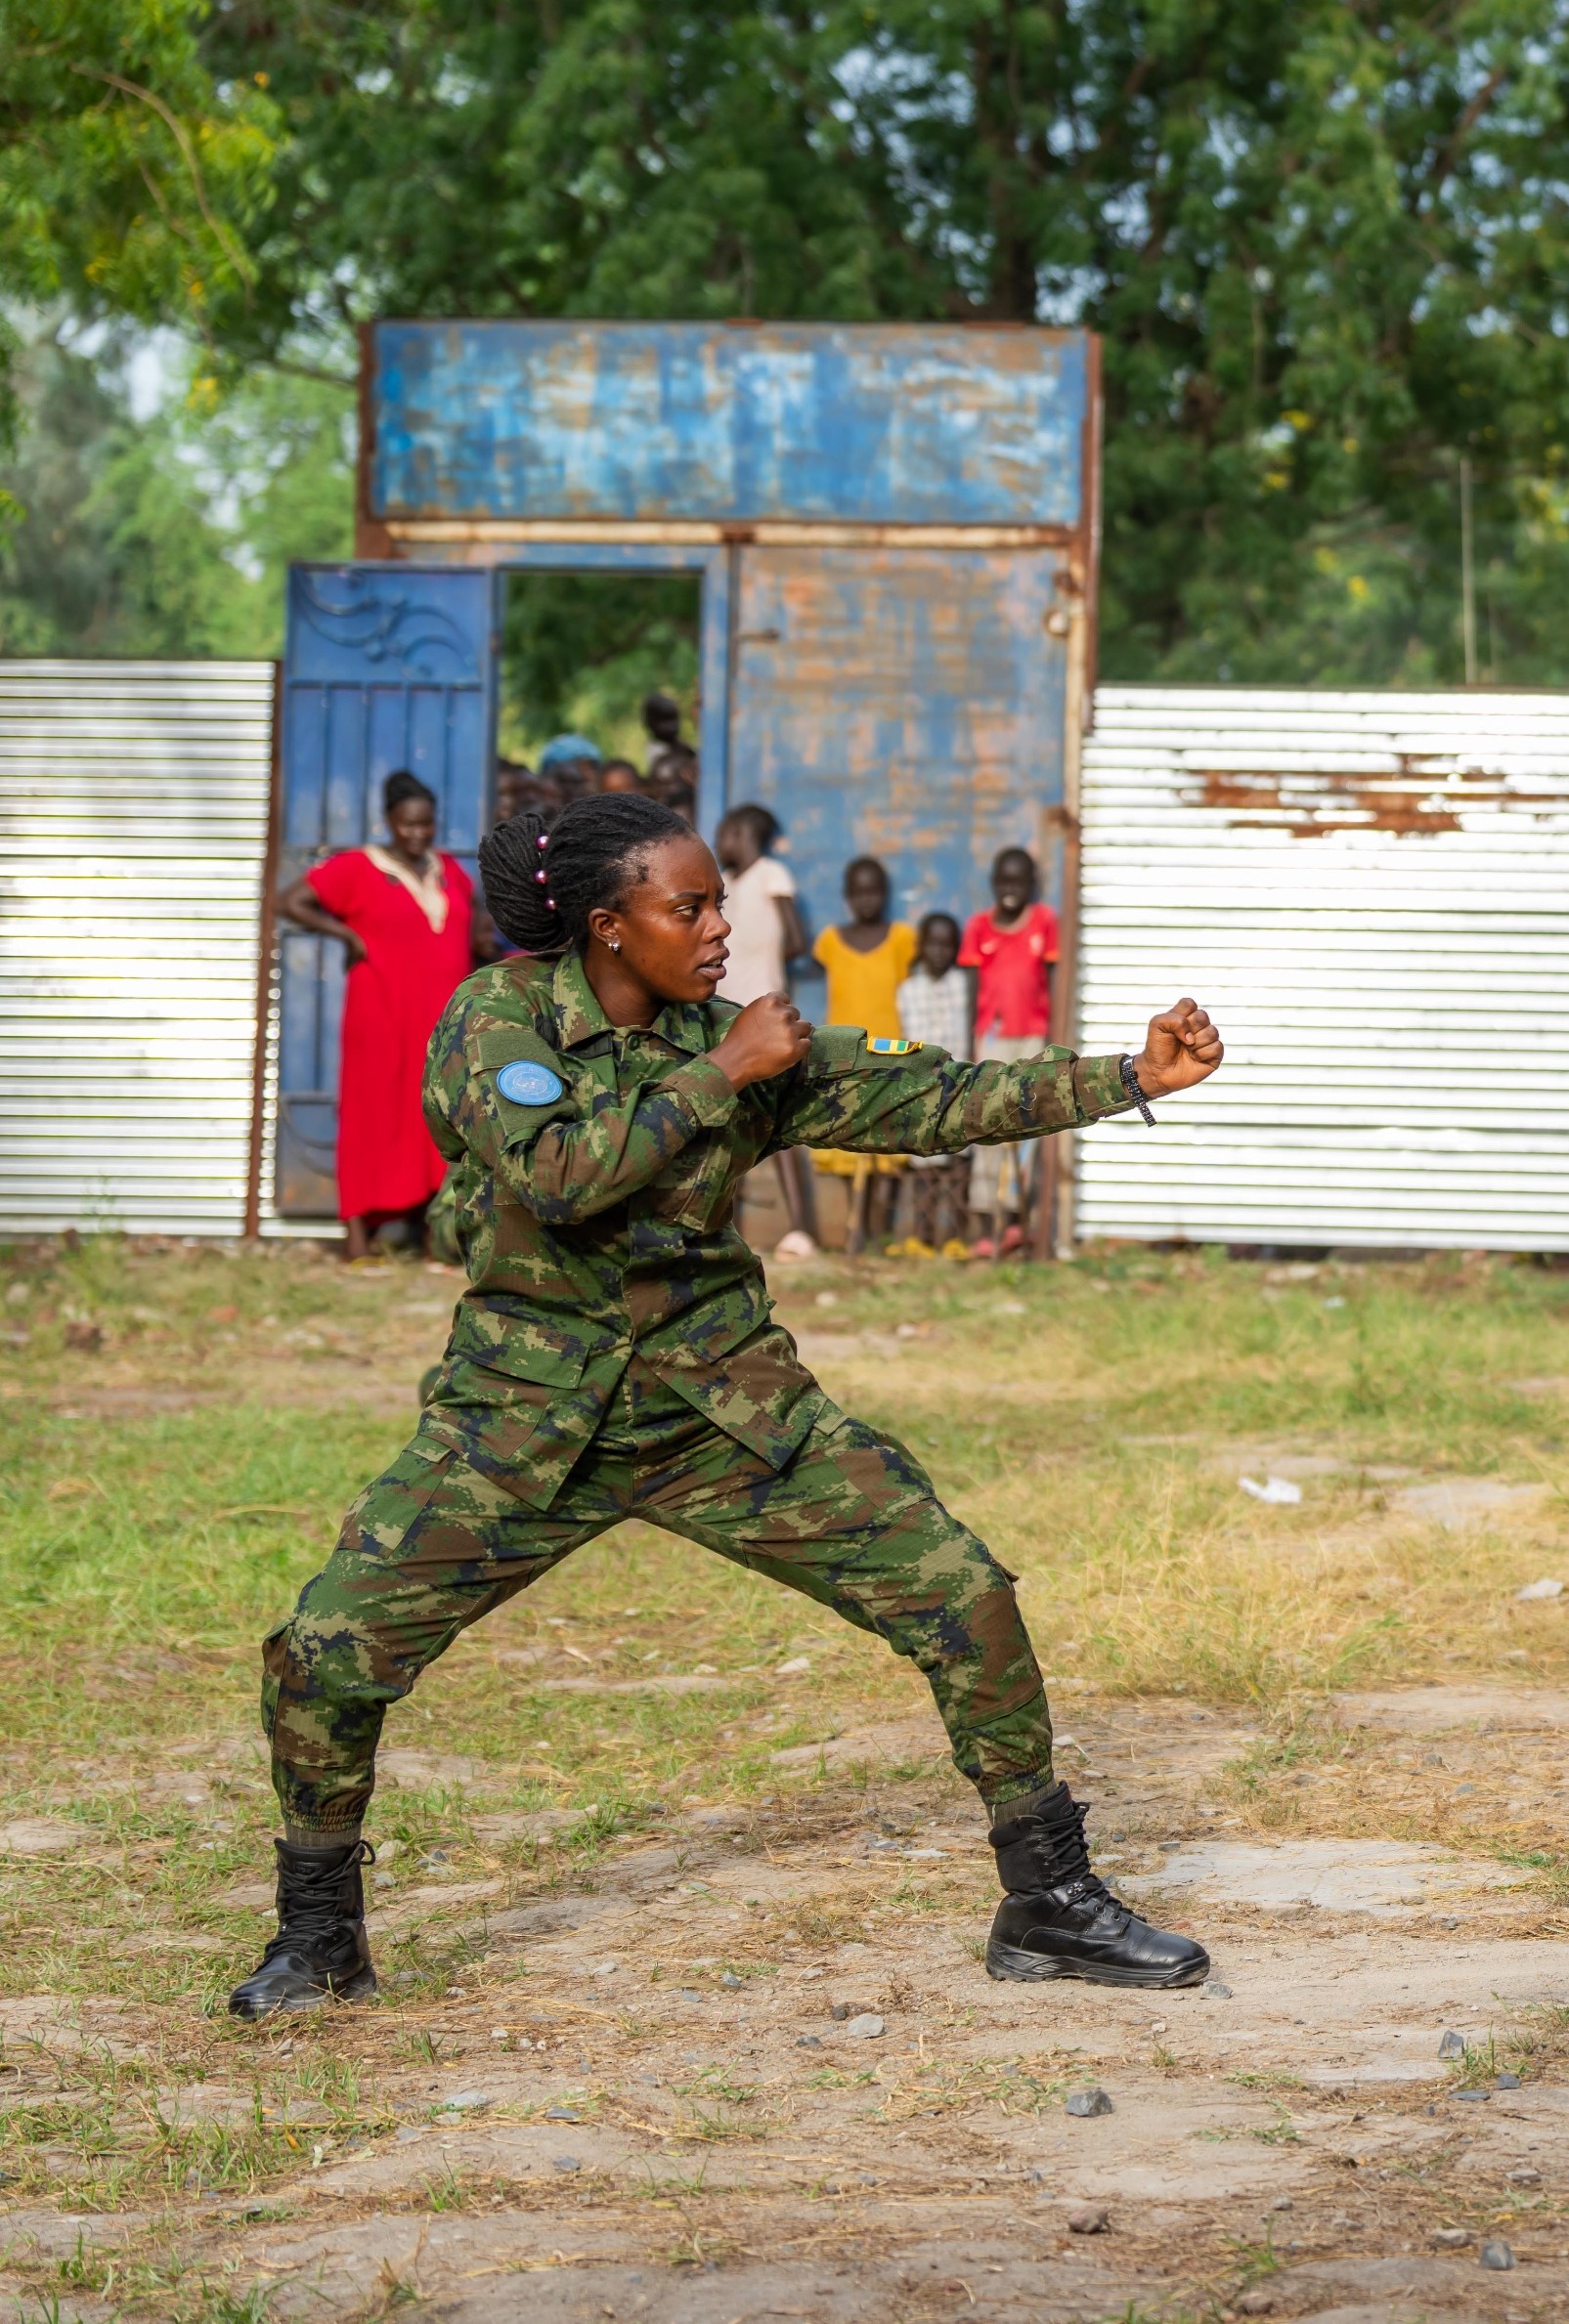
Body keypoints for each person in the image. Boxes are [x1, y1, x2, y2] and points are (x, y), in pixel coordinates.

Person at [233, 791, 1230, 2021]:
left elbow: (930, 1098)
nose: (719, 928)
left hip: (721, 1410)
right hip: (522, 1422)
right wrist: (721, 1072)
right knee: (327, 1649)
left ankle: (1048, 1898)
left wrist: (1130, 1074)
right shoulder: (497, 1018)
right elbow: (556, 1174)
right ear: (607, 925)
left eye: (717, 904)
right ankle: (320, 1936)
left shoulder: (738, 1035)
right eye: (689, 907)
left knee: (963, 1592)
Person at [276, 771, 493, 1260]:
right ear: (389, 821)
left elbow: (473, 930)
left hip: (438, 1019)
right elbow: (289, 901)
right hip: (380, 1013)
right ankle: (357, 1235)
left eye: (426, 823)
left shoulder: (448, 871)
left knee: (432, 1113)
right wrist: (346, 935)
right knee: (370, 1112)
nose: (417, 833)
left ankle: (427, 1231)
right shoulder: (358, 867)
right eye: (407, 824)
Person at [713, 803, 818, 1259]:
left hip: (763, 1011)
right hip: (724, 1015)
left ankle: (801, 1229)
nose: (719, 843)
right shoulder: (726, 883)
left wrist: (762, 963)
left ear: (742, 833)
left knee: (778, 1118)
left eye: (724, 834)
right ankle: (724, 1230)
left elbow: (796, 940)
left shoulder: (771, 875)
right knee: (726, 1122)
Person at [810, 857, 916, 1252]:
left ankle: (878, 1232)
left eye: (873, 891)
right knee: (846, 1136)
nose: (866, 899)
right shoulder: (830, 942)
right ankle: (853, 1230)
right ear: (847, 896)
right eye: (858, 892)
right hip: (844, 1056)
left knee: (888, 1142)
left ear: (884, 894)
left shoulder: (902, 939)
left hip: (890, 1056)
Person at [964, 846, 1066, 1257]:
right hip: (992, 1037)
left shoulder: (1044, 921)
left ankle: (1014, 1220)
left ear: (1031, 885)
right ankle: (985, 1222)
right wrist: (969, 1041)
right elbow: (973, 989)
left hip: (1032, 1038)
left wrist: (1057, 1037)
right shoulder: (978, 927)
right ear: (993, 884)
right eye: (1004, 881)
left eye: (1019, 882)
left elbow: (1053, 981)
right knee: (987, 1118)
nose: (1011, 889)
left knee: (1026, 1125)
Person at [896, 908, 978, 1246]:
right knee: (924, 1161)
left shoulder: (964, 985)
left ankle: (956, 1236)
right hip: (922, 1085)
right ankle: (922, 1237)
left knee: (959, 1161)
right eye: (933, 944)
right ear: (921, 946)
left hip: (959, 1083)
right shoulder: (907, 990)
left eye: (947, 945)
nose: (940, 952)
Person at [639, 692, 702, 827]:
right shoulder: (656, 755)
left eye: (673, 719)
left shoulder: (685, 750)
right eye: (663, 720)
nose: (671, 726)